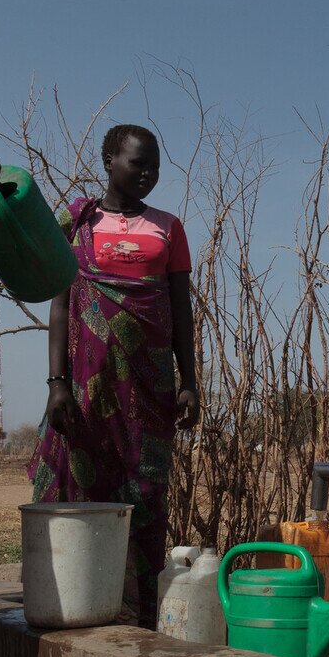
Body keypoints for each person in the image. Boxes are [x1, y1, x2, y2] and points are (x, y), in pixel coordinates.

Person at [29, 123, 199, 628]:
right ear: (109, 161)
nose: (147, 174)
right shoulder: (77, 222)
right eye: (137, 163)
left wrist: (189, 381)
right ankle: (78, 601)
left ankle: (140, 612)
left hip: (149, 387)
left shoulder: (169, 228)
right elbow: (60, 304)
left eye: (155, 167)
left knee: (145, 492)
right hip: (87, 386)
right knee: (83, 489)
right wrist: (56, 383)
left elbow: (181, 311)